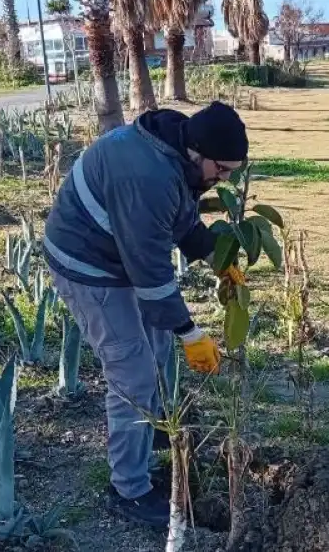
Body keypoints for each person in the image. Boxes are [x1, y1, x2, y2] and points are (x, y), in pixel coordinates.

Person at [43, 101, 248, 528]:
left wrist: (216, 257)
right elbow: (150, 270)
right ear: (200, 152)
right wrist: (190, 331)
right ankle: (129, 490)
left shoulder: (176, 152)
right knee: (131, 372)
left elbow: (180, 221)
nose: (224, 179)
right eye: (223, 170)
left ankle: (147, 428)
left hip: (117, 251)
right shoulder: (147, 176)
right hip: (87, 263)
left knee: (156, 342)